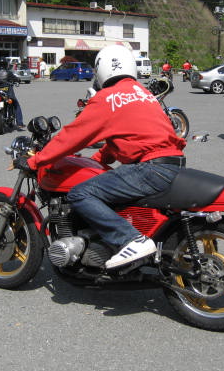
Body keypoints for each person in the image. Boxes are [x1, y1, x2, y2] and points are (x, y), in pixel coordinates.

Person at [20, 45, 186, 269]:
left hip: (150, 168)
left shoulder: (108, 97)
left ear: (101, 69)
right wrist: (97, 160)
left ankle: (131, 240)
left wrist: (35, 160)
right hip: (172, 163)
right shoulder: (143, 93)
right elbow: (127, 137)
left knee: (80, 193)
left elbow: (73, 136)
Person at [0, 57, 24, 128]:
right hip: (8, 92)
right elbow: (15, 79)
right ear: (6, 64)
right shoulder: (9, 73)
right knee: (16, 104)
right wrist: (18, 80)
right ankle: (19, 123)